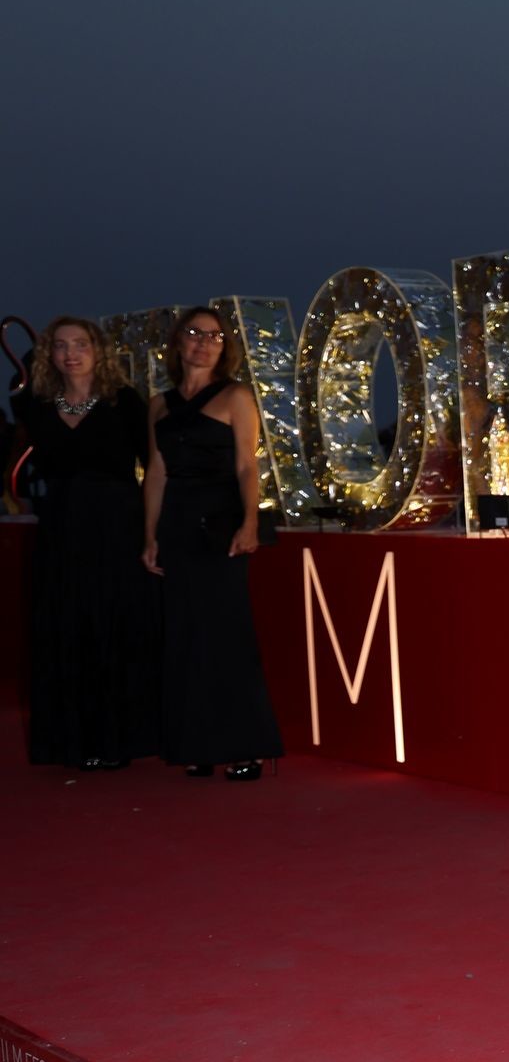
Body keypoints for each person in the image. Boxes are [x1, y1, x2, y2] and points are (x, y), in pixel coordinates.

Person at [143, 307, 283, 780]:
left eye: (215, 336)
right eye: (195, 333)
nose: (204, 343)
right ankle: (198, 744)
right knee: (184, 636)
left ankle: (246, 746)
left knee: (226, 635)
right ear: (178, 342)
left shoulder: (236, 395)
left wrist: (250, 521)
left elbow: (247, 465)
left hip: (221, 525)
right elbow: (156, 473)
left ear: (226, 348)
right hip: (177, 525)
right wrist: (149, 535)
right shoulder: (159, 405)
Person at [21, 317, 161, 768]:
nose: (71, 354)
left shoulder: (124, 402)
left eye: (81, 344)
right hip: (61, 530)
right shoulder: (38, 405)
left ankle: (115, 740)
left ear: (99, 351)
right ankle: (72, 741)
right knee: (66, 628)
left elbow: (154, 469)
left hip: (117, 528)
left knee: (113, 626)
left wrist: (151, 532)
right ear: (49, 354)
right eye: (61, 345)